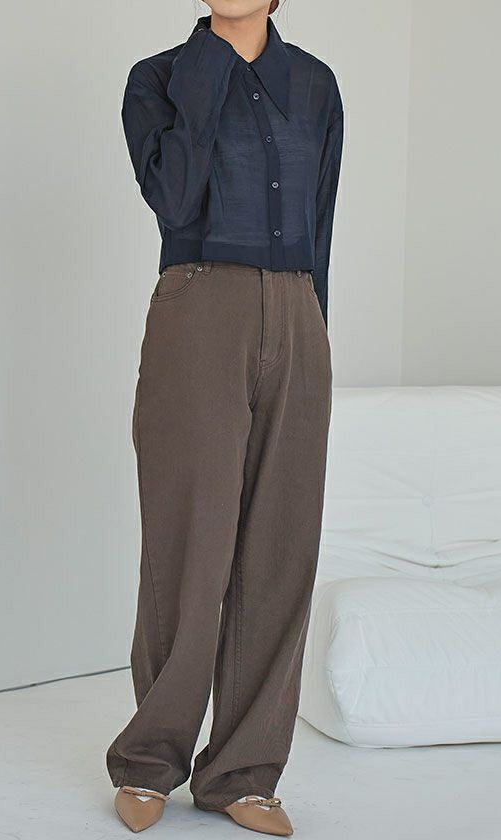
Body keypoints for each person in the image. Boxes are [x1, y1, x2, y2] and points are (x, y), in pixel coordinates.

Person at [107, 1, 344, 834]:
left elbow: (321, 222)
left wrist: (313, 334)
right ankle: (149, 760)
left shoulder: (315, 85)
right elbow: (174, 200)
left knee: (281, 547)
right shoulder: (159, 79)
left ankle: (243, 773)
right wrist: (209, 60)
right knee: (189, 543)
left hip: (298, 314)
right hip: (200, 305)